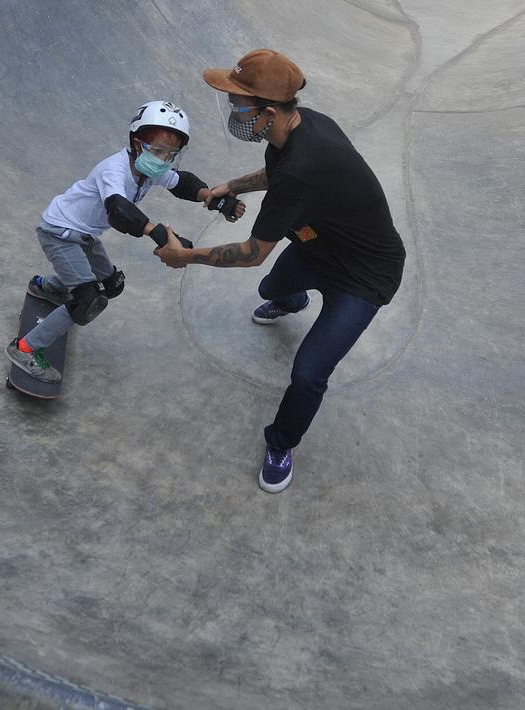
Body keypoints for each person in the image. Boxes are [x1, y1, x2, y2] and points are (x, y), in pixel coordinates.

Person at [154, 49, 406, 494]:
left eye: (238, 106)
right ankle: (293, 299)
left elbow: (252, 252)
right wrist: (228, 187)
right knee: (274, 287)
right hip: (321, 247)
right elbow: (276, 171)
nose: (233, 114)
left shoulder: (303, 173)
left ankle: (281, 443)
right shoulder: (302, 127)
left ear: (268, 113)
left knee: (308, 373)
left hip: (367, 276)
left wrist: (184, 257)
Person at [6, 100, 244, 383]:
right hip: (59, 232)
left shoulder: (150, 170)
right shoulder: (115, 170)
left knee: (111, 285)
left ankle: (48, 287)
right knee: (88, 300)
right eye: (156, 150)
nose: (162, 159)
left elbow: (181, 183)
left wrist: (211, 197)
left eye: (170, 155)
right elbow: (119, 210)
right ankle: (24, 349)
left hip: (84, 235)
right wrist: (159, 234)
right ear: (135, 141)